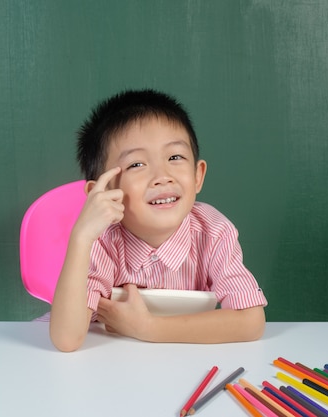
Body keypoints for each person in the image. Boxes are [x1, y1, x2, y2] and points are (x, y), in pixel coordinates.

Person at [49, 89, 267, 352]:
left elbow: (251, 322)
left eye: (175, 157)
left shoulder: (214, 231)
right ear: (102, 193)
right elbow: (66, 340)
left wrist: (147, 328)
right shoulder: (103, 240)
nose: (162, 176)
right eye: (136, 164)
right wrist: (81, 236)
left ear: (198, 175)